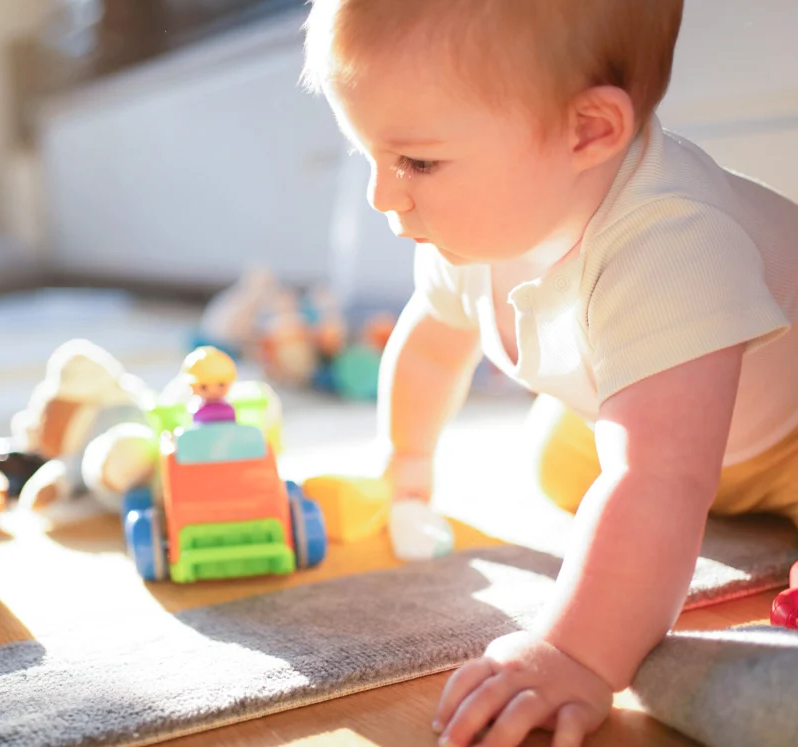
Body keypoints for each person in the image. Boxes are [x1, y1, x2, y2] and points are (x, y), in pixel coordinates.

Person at [301, 1, 798, 745]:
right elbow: (432, 343)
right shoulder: (470, 232)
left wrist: (575, 654)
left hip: (787, 433)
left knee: (644, 486)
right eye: (366, 153)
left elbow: (660, 476)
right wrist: (404, 462)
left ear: (588, 131)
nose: (383, 195)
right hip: (668, 417)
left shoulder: (674, 243)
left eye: (417, 163)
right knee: (559, 467)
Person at [182, 346, 238, 424]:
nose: (213, 390)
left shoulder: (195, 410)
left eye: (221, 385)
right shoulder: (229, 410)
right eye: (203, 387)